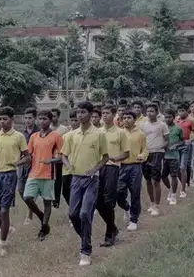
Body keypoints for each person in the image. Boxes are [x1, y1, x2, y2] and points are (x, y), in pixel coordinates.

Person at [61, 101, 109, 267]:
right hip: (75, 179)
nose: (80, 115)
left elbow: (105, 157)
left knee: (84, 213)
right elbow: (63, 155)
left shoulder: (99, 134)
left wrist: (95, 169)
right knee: (73, 214)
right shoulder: (71, 135)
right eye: (78, 113)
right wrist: (68, 166)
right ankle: (85, 238)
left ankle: (85, 251)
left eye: (83, 112)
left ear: (90, 113)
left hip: (91, 180)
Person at [0, 107, 28, 257]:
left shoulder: (19, 136)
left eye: (5, 119)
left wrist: (17, 163)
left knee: (4, 210)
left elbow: (27, 157)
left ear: (12, 119)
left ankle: (2, 245)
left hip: (9, 176)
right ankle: (6, 227)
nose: (2, 122)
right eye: (0, 119)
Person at [23, 110, 64, 240]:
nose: (42, 121)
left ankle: (44, 227)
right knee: (27, 197)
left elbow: (63, 156)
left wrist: (51, 160)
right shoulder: (34, 136)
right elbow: (28, 154)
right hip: (34, 173)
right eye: (40, 119)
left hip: (49, 174)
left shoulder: (56, 136)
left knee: (47, 202)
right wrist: (18, 162)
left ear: (50, 120)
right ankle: (41, 216)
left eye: (45, 119)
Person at [98, 106, 130, 247]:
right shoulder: (98, 132)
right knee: (97, 202)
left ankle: (109, 234)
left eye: (107, 113)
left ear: (114, 115)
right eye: (103, 113)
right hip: (98, 168)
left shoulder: (120, 132)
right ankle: (113, 228)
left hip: (112, 167)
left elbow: (126, 153)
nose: (104, 116)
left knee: (108, 200)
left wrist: (116, 159)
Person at [118, 109, 147, 231]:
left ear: (134, 120)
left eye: (129, 118)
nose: (126, 120)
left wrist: (142, 156)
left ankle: (134, 219)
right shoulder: (119, 133)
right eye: (124, 118)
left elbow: (145, 150)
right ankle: (126, 207)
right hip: (121, 166)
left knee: (135, 193)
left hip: (135, 166)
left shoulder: (140, 134)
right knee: (118, 192)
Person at [140, 103, 169, 216]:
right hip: (146, 154)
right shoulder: (143, 125)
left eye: (152, 111)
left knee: (155, 180)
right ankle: (152, 203)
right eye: (147, 111)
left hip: (157, 153)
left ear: (157, 113)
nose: (149, 113)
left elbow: (167, 140)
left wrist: (161, 147)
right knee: (147, 180)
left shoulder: (162, 125)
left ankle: (157, 206)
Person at [19, 107, 40, 225]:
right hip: (22, 164)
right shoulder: (22, 133)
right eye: (26, 118)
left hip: (35, 165)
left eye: (30, 118)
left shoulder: (39, 132)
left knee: (30, 191)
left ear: (35, 118)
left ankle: (30, 214)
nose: (28, 120)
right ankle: (33, 208)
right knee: (20, 189)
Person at [162, 109, 185, 206]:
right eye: (166, 117)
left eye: (169, 117)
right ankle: (170, 190)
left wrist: (176, 145)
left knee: (174, 176)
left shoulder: (178, 128)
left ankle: (174, 196)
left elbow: (183, 141)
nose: (167, 119)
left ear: (174, 117)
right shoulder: (162, 128)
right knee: (163, 176)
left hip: (174, 156)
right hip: (163, 156)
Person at [175, 104, 194, 198]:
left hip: (185, 145)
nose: (181, 113)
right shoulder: (175, 120)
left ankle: (183, 189)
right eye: (179, 111)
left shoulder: (190, 121)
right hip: (176, 146)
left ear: (186, 111)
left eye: (183, 110)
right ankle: (184, 182)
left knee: (183, 167)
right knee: (176, 168)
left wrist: (190, 140)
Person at [49, 108, 69, 208]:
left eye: (55, 116)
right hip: (50, 159)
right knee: (51, 181)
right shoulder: (47, 128)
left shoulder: (64, 129)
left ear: (58, 116)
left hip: (61, 158)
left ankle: (57, 201)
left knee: (60, 181)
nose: (53, 118)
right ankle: (53, 200)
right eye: (51, 116)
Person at [61, 110, 81, 207]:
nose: (73, 123)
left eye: (76, 120)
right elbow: (62, 153)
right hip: (67, 169)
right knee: (66, 192)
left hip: (79, 169)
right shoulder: (65, 136)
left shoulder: (83, 135)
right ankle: (73, 208)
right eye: (72, 120)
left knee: (77, 191)